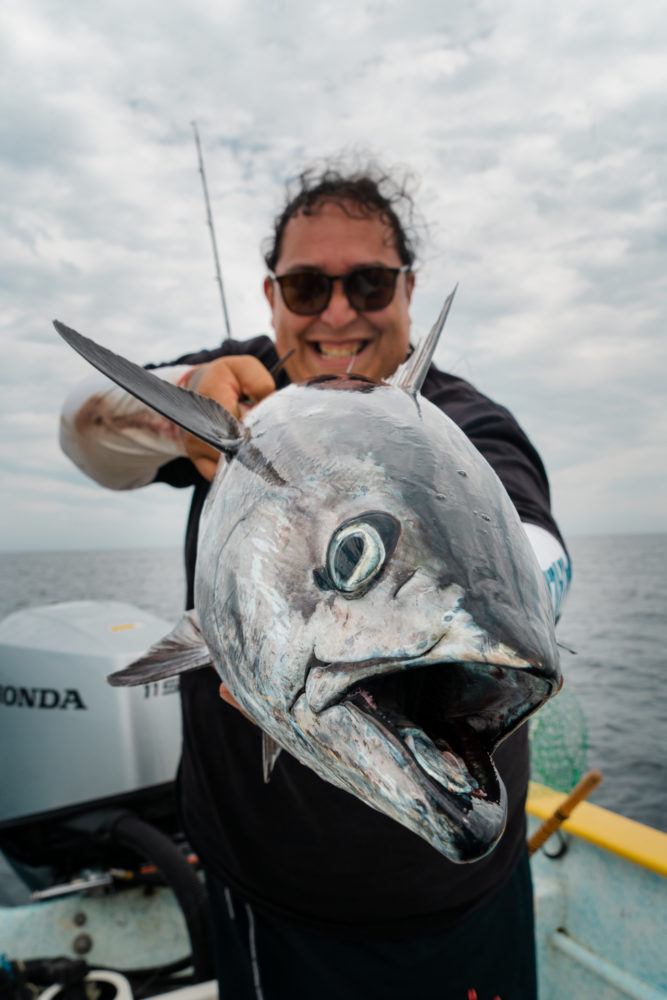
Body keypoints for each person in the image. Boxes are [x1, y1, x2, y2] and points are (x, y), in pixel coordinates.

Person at [60, 163, 571, 1000]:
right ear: (272, 295)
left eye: (369, 284)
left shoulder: (465, 425)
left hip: (461, 898)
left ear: (408, 289)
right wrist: (181, 405)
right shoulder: (235, 389)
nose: (337, 313)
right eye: (306, 287)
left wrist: (514, 599)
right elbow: (80, 429)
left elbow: (535, 544)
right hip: (270, 894)